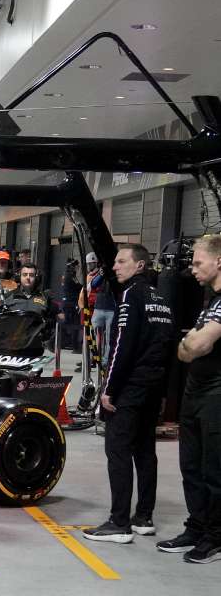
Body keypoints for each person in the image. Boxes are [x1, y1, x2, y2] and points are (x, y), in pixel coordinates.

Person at [82, 244, 173, 545]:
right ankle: (143, 517)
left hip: (132, 387)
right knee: (145, 450)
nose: (116, 267)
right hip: (154, 385)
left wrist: (110, 389)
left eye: (122, 262)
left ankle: (118, 522)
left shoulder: (130, 296)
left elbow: (123, 346)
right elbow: (166, 346)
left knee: (117, 449)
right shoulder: (160, 298)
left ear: (140, 266)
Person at [162, 234, 221, 563]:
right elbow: (188, 346)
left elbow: (194, 347)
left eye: (198, 263)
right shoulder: (210, 302)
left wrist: (191, 343)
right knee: (191, 467)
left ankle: (216, 536)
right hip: (195, 392)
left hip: (215, 394)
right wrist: (191, 342)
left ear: (219, 262)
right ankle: (197, 527)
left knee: (213, 470)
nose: (193, 270)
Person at [80, 252, 116, 371]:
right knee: (91, 335)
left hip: (111, 308)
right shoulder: (99, 272)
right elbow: (93, 285)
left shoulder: (116, 272)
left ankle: (106, 362)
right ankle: (90, 359)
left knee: (109, 337)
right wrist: (102, 273)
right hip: (99, 307)